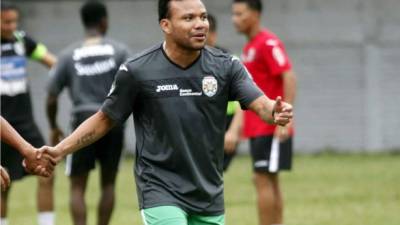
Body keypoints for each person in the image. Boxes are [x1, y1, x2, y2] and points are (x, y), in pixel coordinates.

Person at [36, 0, 293, 225]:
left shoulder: (227, 66)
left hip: (208, 191)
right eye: (188, 18)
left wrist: (274, 110)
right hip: (159, 188)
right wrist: (60, 149)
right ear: (166, 25)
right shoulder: (137, 71)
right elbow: (104, 119)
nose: (200, 24)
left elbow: (260, 103)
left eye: (203, 17)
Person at [45, 1, 131, 225]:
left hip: (82, 122)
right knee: (109, 184)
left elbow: (52, 96)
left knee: (77, 186)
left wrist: (53, 125)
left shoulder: (68, 54)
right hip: (112, 121)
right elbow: (132, 86)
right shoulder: (120, 51)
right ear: (104, 21)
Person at [232, 0, 297, 224]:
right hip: (257, 126)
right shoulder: (249, 48)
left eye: (240, 14)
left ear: (255, 14)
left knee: (261, 179)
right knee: (269, 179)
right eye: (234, 14)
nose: (235, 19)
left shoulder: (268, 43)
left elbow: (288, 75)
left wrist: (286, 121)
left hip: (271, 126)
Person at [0, 2, 57, 225]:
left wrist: (63, 78)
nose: (11, 26)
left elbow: (53, 62)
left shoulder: (22, 41)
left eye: (15, 21)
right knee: (3, 183)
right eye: (6, 22)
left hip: (24, 122)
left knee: (46, 170)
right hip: (1, 124)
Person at [205, 14, 242, 171]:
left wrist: (233, 131)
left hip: (224, 122)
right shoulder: (188, 62)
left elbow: (243, 99)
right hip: (201, 120)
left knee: (212, 172)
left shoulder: (229, 61)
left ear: (213, 35)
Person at [0, 116, 55, 191]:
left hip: (21, 119)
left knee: (46, 171)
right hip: (9, 116)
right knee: (3, 181)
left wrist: (28, 150)